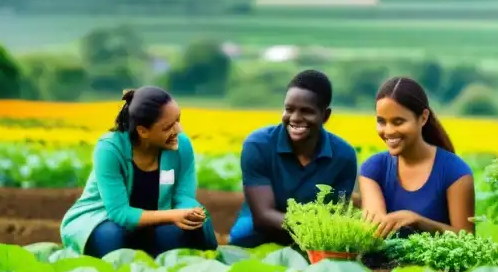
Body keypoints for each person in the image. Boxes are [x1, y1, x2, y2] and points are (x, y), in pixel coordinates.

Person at [60, 86, 218, 257]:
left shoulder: (181, 145)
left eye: (178, 120)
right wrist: (173, 215)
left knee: (182, 235)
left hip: (159, 221)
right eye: (168, 127)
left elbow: (183, 196)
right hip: (106, 218)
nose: (178, 130)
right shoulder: (109, 149)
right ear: (143, 131)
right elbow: (119, 213)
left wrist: (191, 213)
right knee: (115, 240)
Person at [229, 70, 358, 248]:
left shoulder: (344, 156)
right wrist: (308, 226)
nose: (295, 118)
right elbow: (263, 215)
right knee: (242, 234)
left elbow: (337, 213)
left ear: (325, 115)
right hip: (265, 227)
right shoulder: (258, 145)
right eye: (289, 109)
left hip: (315, 234)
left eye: (306, 111)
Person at [359, 77, 475, 238]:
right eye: (381, 122)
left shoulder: (455, 172)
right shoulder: (373, 169)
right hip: (382, 262)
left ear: (423, 117)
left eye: (398, 122)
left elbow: (467, 237)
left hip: (437, 263)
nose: (389, 131)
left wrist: (420, 222)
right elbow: (376, 227)